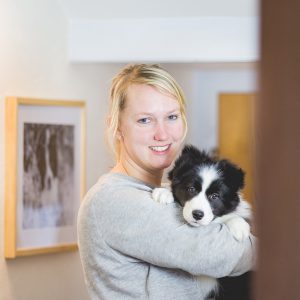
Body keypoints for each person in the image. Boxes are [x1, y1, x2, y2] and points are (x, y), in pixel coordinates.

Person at [77, 64, 256, 300]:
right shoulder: (112, 199)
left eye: (171, 117)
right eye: (144, 120)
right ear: (117, 127)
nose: (162, 134)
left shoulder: (169, 194)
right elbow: (221, 254)